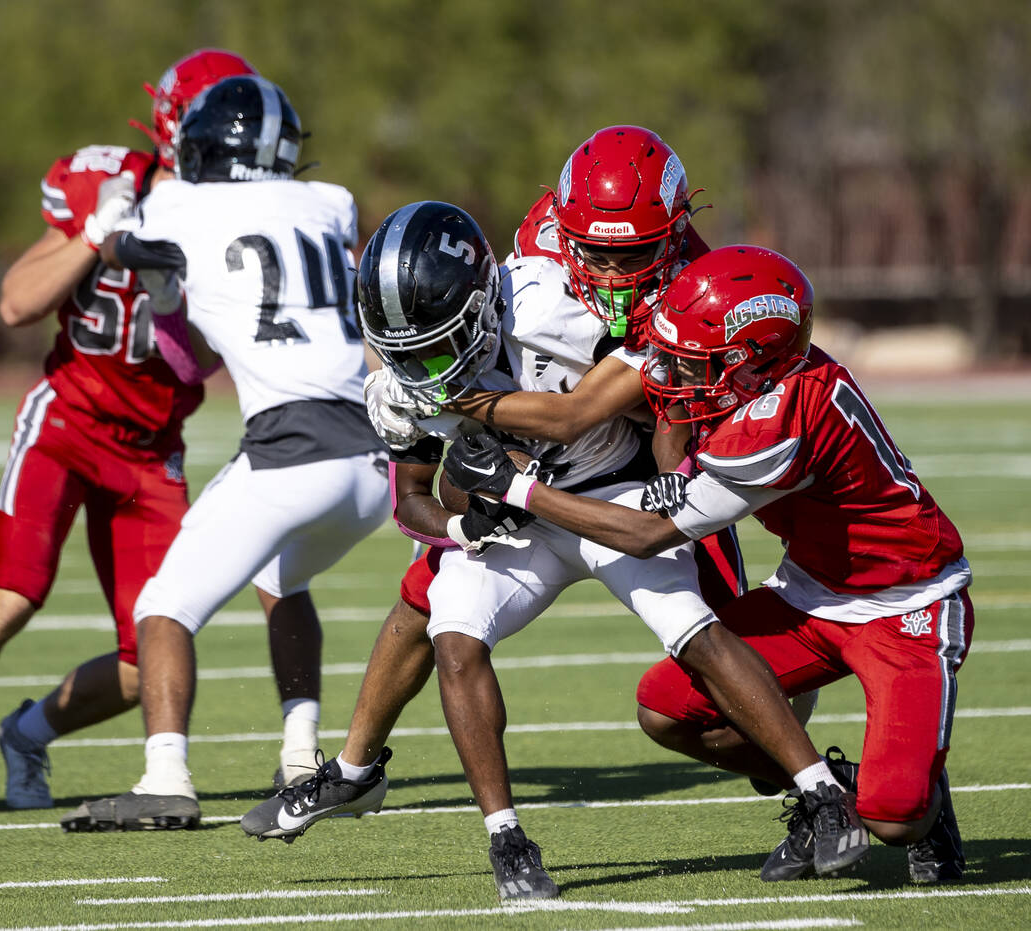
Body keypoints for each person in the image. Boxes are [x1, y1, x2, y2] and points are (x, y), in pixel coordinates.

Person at [242, 202, 869, 900]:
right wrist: (462, 521)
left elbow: (653, 402)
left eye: (439, 345)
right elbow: (414, 496)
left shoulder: (555, 310)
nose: (422, 367)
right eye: (404, 349)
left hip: (616, 495)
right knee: (450, 622)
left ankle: (823, 791)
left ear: (483, 308)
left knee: (692, 632)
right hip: (522, 519)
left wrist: (662, 461)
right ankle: (505, 838)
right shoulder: (397, 380)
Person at [442, 244, 971, 885]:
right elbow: (671, 412)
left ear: (754, 367)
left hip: (907, 605)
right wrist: (671, 464)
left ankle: (918, 803)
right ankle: (827, 796)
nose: (668, 374)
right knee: (667, 709)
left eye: (692, 363)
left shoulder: (781, 422)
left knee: (895, 819)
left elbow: (644, 535)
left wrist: (518, 489)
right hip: (810, 593)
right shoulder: (764, 376)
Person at [0, 49, 257, 818]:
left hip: (151, 448)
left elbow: (211, 359)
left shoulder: (248, 221)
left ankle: (28, 732)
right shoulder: (109, 184)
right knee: (13, 593)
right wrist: (93, 235)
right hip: (68, 421)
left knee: (152, 654)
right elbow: (14, 303)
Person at [59, 74, 390, 833]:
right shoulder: (328, 202)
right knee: (284, 577)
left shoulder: (178, 204)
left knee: (162, 605)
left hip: (291, 447)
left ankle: (165, 775)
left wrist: (105, 223)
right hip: (371, 459)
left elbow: (116, 247)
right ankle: (302, 751)